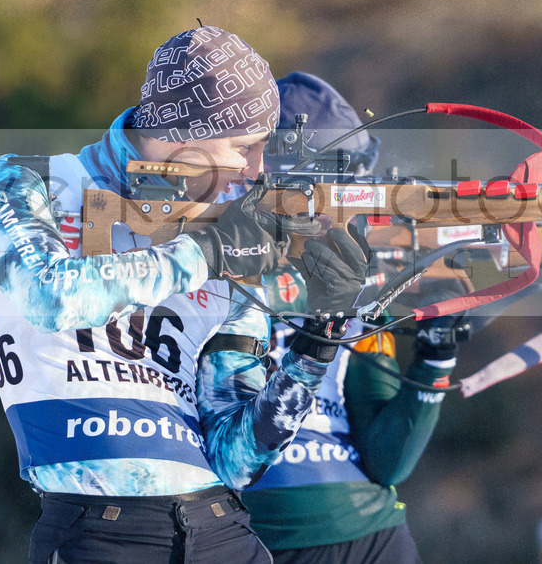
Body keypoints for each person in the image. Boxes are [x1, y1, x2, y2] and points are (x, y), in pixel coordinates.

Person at [0, 27, 363, 562]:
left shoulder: (229, 232)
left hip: (221, 526)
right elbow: (49, 298)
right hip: (101, 529)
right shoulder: (28, 181)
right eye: (244, 147)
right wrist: (205, 254)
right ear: (188, 135)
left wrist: (315, 347)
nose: (256, 170)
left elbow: (236, 460)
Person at [197, 72, 467, 563]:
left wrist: (435, 354)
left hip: (371, 530)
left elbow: (387, 462)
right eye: (344, 186)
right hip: (247, 533)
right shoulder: (203, 259)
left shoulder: (359, 279)